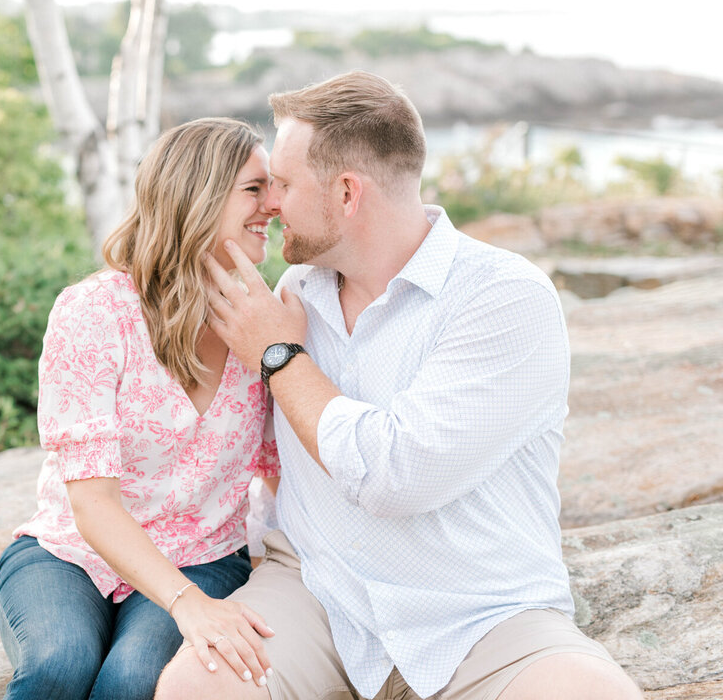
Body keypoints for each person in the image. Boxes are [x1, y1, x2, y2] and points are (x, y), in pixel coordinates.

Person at [154, 72, 642, 700]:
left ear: (348, 194)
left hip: (480, 614)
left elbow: (396, 475)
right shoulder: (294, 293)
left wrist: (281, 356)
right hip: (317, 592)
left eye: (285, 183)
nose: (270, 202)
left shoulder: (504, 298)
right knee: (199, 687)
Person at [0, 117, 283, 700]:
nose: (275, 204)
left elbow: (281, 472)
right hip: (69, 553)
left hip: (205, 557)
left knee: (132, 682)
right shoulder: (94, 313)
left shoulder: (268, 320)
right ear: (197, 196)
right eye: (255, 188)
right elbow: (92, 504)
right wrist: (188, 608)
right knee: (59, 664)